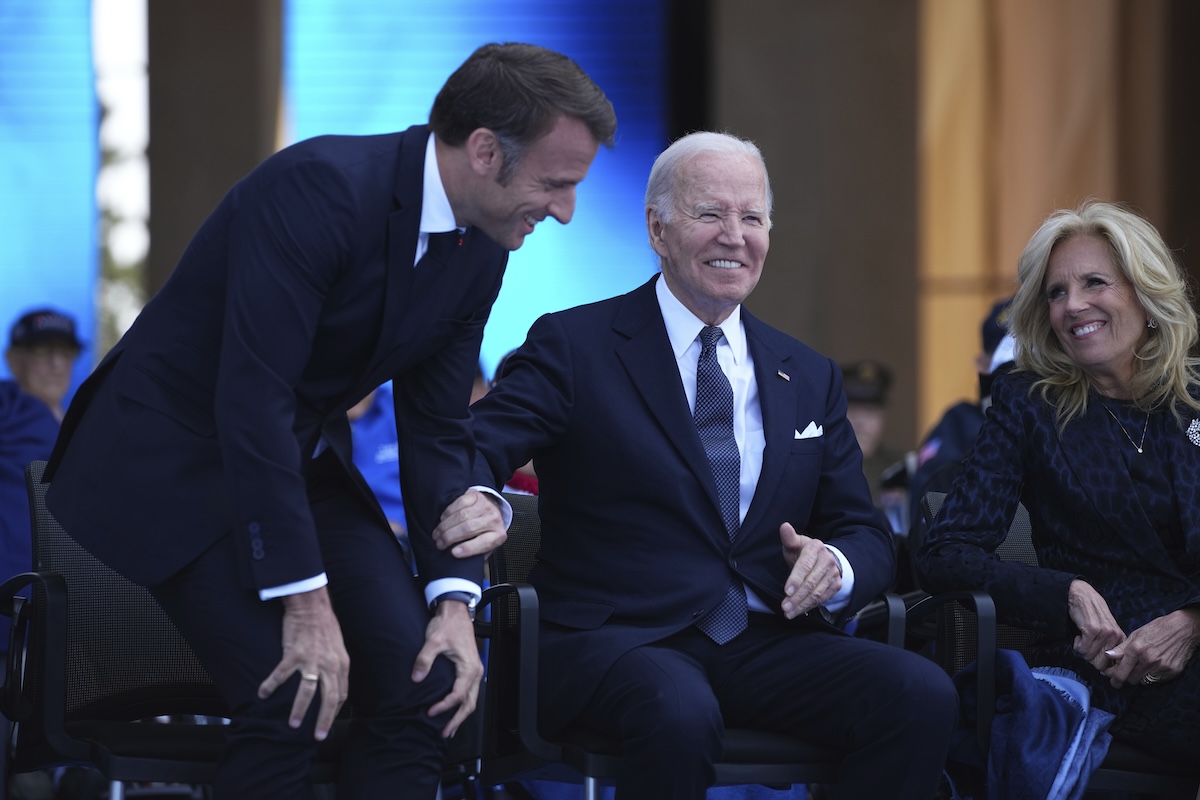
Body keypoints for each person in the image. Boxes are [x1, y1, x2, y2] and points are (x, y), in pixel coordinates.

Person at [42, 42, 616, 799]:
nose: (566, 211)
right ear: (484, 151)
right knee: (295, 690)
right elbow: (253, 402)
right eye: (556, 183)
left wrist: (452, 600)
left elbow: (438, 429)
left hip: (294, 461)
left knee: (430, 688)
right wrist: (305, 604)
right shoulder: (317, 188)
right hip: (170, 463)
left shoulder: (483, 246)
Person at [462, 132, 957, 799]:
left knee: (919, 692)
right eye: (710, 214)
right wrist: (484, 499)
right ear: (657, 229)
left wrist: (834, 566)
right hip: (619, 641)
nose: (735, 236)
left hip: (763, 638)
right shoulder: (574, 345)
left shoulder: (808, 375)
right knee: (677, 708)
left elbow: (863, 530)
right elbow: (475, 447)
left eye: (751, 218)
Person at [916, 200, 1200, 774]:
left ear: (1146, 293)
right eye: (1055, 293)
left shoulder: (1194, 397)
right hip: (1109, 664)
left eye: (1095, 283)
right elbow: (945, 554)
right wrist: (1064, 592)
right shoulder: (1030, 404)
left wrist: (1193, 620)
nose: (1073, 306)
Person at [907, 297, 1012, 526]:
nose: (1019, 375)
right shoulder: (960, 423)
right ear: (983, 364)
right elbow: (928, 508)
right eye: (1007, 365)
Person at [5, 308, 84, 422]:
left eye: (67, 350)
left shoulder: (84, 428)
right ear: (13, 358)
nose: (57, 364)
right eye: (41, 349)